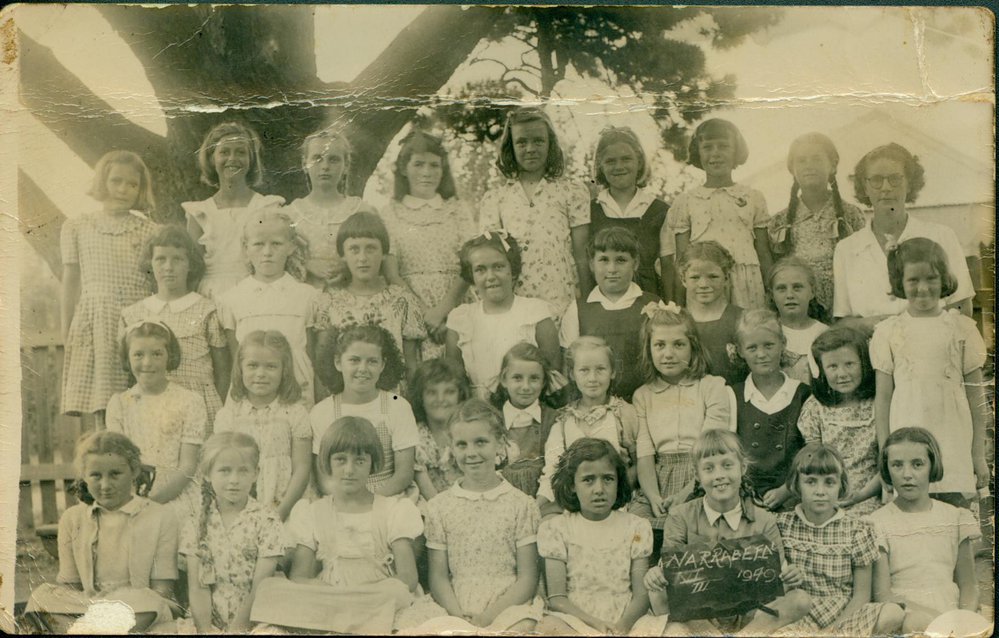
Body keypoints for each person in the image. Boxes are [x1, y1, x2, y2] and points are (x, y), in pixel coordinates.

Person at [251, 417, 422, 634]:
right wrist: (325, 590)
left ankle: (346, 621)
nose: (349, 470)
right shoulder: (313, 512)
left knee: (395, 591)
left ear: (372, 464)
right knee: (270, 587)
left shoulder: (393, 510)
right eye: (340, 460)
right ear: (327, 463)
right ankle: (346, 621)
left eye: (359, 461)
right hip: (330, 598)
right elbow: (300, 576)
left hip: (375, 598)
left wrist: (361, 594)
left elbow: (408, 579)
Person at [644, 429, 812, 636]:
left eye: (727, 465)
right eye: (709, 468)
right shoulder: (680, 516)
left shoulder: (765, 519)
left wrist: (789, 575)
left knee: (800, 598)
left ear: (742, 468)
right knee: (656, 590)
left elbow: (777, 578)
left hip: (750, 614)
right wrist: (655, 576)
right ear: (697, 476)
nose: (719, 475)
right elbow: (672, 576)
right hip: (699, 617)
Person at [871, 237, 989, 505]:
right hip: (907, 435)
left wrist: (978, 453)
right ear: (900, 282)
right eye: (913, 280)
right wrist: (884, 453)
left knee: (954, 512)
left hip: (953, 436)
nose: (923, 288)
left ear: (944, 279)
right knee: (911, 514)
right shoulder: (889, 332)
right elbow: (883, 399)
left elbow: (976, 398)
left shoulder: (962, 329)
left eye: (931, 278)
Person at [26, 432, 179, 633]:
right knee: (41, 597)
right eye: (95, 475)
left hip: (136, 605)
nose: (105, 485)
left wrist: (121, 598)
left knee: (152, 603)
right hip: (89, 604)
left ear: (133, 471)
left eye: (115, 474)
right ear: (84, 476)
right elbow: (70, 586)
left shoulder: (160, 516)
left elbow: (162, 591)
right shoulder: (72, 519)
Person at [415, 399, 543, 633]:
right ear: (452, 449)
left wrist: (488, 617)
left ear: (500, 444)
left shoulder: (521, 505)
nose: (471, 452)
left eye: (481, 442)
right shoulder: (439, 507)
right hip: (455, 605)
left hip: (506, 606)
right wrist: (458, 617)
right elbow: (439, 577)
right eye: (462, 445)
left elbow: (527, 578)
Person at [833, 143, 974, 332]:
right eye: (876, 180)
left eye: (895, 179)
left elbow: (962, 306)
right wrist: (884, 327)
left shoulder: (941, 236)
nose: (885, 187)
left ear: (909, 183)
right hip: (871, 354)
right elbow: (843, 321)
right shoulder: (847, 249)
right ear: (865, 188)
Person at [60, 150, 158, 423]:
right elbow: (71, 282)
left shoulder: (150, 231)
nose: (123, 189)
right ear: (103, 182)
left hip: (136, 320)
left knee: (138, 399)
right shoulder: (79, 226)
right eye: (116, 181)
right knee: (102, 402)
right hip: (96, 319)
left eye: (132, 184)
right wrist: (66, 328)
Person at [537, 439, 665, 635]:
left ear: (618, 482)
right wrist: (595, 624)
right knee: (549, 627)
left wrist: (622, 626)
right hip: (577, 621)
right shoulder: (557, 529)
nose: (599, 489)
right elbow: (556, 598)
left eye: (608, 479)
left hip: (626, 620)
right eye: (588, 480)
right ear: (572, 485)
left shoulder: (636, 527)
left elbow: (641, 595)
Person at [629, 301, 732, 543]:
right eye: (660, 345)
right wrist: (653, 496)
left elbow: (710, 450)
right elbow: (645, 454)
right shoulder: (643, 395)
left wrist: (687, 493)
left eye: (678, 345)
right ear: (649, 349)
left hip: (703, 476)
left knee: (694, 526)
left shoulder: (711, 386)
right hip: (658, 479)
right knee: (636, 527)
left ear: (693, 347)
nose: (668, 354)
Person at [776, 444, 905, 636]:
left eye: (829, 482)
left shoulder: (857, 530)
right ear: (796, 484)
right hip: (801, 615)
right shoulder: (782, 525)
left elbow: (861, 595)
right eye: (811, 482)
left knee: (893, 612)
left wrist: (833, 630)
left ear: (841, 485)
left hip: (845, 615)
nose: (820, 491)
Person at [479, 107, 592, 317]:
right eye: (522, 142)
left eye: (538, 141)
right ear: (511, 147)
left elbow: (582, 256)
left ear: (550, 144)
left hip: (562, 301)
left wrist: (587, 306)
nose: (530, 148)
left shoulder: (571, 192)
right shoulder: (495, 199)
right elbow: (489, 260)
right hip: (515, 304)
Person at [869, 428, 981, 633]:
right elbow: (883, 595)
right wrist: (934, 620)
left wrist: (964, 619)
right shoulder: (877, 523)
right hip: (907, 619)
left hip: (953, 614)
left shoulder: (955, 517)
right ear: (887, 469)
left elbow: (969, 586)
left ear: (932, 466)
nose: (907, 474)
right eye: (897, 465)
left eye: (917, 464)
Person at [122, 226, 228, 429]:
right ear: (150, 264)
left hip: (201, 405)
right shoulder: (134, 314)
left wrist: (220, 412)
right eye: (161, 259)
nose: (168, 267)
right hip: (154, 405)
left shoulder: (207, 310)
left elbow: (223, 371)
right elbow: (129, 372)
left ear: (190, 264)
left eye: (177, 259)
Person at [381, 131, 476, 359]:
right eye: (419, 164)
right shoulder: (390, 213)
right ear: (404, 168)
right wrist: (425, 315)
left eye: (434, 165)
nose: (427, 173)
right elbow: (392, 274)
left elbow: (470, 265)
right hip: (411, 309)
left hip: (457, 305)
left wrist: (443, 312)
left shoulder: (458, 210)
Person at [661, 118, 772, 309]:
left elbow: (763, 252)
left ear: (735, 151)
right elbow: (682, 262)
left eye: (723, 146)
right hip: (704, 285)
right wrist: (679, 307)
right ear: (698, 152)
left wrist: (773, 294)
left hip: (747, 284)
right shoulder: (687, 201)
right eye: (708, 147)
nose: (716, 153)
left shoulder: (753, 197)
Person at [180, 433, 285, 633]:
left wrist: (237, 630)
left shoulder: (267, 520)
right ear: (208, 474)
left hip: (254, 620)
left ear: (256, 473)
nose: (234, 480)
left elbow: (259, 588)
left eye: (243, 471)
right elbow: (198, 588)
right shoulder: (195, 522)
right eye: (225, 471)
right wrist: (205, 631)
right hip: (206, 622)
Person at [106, 321, 206, 523]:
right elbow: (117, 463)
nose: (147, 363)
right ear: (127, 358)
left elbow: (188, 467)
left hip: (177, 494)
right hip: (131, 496)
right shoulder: (119, 404)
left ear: (170, 356)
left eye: (157, 354)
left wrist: (151, 504)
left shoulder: (190, 401)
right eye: (138, 355)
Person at [310, 211, 426, 381]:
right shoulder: (330, 301)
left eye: (371, 248)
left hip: (392, 398)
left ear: (384, 253)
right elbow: (323, 363)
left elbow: (411, 364)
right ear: (343, 254)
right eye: (354, 249)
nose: (362, 258)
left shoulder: (402, 300)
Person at [218, 208, 319, 406]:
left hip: (297, 395)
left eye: (276, 244)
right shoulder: (231, 299)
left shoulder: (308, 296)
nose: (267, 252)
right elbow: (235, 358)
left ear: (291, 246)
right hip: (250, 397)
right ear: (246, 248)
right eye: (258, 244)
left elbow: (311, 354)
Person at [445, 231, 561, 398]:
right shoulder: (461, 319)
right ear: (471, 275)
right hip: (478, 412)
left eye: (498, 267)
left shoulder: (535, 313)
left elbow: (551, 376)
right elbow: (455, 380)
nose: (490, 276)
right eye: (480, 270)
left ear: (512, 270)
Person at [213, 331, 312, 521]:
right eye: (252, 365)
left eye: (271, 367)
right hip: (241, 505)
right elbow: (225, 469)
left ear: (284, 370)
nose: (261, 374)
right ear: (240, 369)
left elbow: (302, 468)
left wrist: (281, 512)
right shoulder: (229, 416)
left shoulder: (295, 413)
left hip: (287, 505)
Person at [310, 324, 417, 499]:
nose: (363, 369)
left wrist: (370, 502)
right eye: (354, 360)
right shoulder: (322, 411)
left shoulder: (397, 405)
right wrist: (348, 503)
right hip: (339, 498)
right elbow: (324, 477)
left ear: (382, 365)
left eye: (372, 361)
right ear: (338, 362)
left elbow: (403, 474)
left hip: (388, 496)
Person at [537, 337, 638, 517]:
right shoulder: (563, 419)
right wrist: (538, 506)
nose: (592, 378)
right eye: (584, 370)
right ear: (572, 374)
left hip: (617, 503)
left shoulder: (624, 413)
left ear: (612, 371)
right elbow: (552, 470)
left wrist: (616, 492)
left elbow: (639, 463)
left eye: (600, 369)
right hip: (575, 504)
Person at [183, 121, 284, 299]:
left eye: (241, 152)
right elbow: (192, 269)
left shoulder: (267, 207)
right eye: (224, 152)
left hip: (258, 292)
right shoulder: (199, 213)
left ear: (251, 159)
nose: (232, 159)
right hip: (212, 295)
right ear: (212, 158)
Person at [559, 226, 661, 401]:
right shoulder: (577, 310)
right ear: (591, 264)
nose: (612, 268)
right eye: (604, 260)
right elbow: (568, 365)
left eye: (621, 260)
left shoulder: (653, 305)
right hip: (595, 404)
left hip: (646, 402)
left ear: (635, 263)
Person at [767, 132, 866, 311]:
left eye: (816, 159)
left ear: (833, 165)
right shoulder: (779, 222)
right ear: (792, 169)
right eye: (801, 160)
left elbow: (862, 270)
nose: (809, 166)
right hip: (798, 311)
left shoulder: (852, 215)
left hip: (844, 308)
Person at [731, 309, 810, 511]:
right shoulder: (733, 395)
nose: (761, 354)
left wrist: (788, 489)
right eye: (752, 347)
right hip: (745, 500)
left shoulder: (802, 394)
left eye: (769, 345)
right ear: (740, 350)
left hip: (794, 497)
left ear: (782, 344)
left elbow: (810, 452)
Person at [797, 327, 882, 514]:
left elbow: (886, 461)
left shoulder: (878, 404)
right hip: (826, 497)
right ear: (820, 370)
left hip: (871, 495)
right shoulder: (815, 407)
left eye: (849, 364)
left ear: (863, 364)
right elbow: (813, 463)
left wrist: (860, 496)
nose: (842, 374)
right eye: (832, 367)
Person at [283, 129, 381, 290]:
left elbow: (378, 255)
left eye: (334, 160)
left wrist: (348, 265)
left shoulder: (361, 211)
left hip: (351, 297)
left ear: (346, 165)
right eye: (317, 158)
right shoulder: (290, 214)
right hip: (304, 300)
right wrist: (306, 264)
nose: (325, 166)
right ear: (304, 164)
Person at [589, 126, 669, 298]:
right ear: (600, 166)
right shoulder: (589, 211)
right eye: (610, 161)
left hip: (649, 298)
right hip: (603, 301)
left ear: (639, 162)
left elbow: (669, 267)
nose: (619, 166)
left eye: (626, 159)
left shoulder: (660, 211)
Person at [491, 342, 560, 498]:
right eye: (517, 378)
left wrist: (539, 504)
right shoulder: (492, 420)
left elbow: (554, 469)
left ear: (543, 382)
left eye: (534, 378)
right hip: (502, 498)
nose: (526, 386)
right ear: (503, 380)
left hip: (543, 498)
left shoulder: (553, 419)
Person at [680, 241, 745, 385]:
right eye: (695, 277)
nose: (703, 284)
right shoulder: (677, 320)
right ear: (683, 279)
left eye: (713, 277)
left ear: (726, 278)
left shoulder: (742, 319)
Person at [409, 358, 471, 503]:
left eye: (449, 392)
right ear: (420, 397)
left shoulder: (469, 431)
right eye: (432, 392)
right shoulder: (414, 436)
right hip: (431, 507)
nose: (441, 399)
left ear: (460, 395)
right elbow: (429, 495)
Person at [766, 257, 828, 384]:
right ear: (772, 295)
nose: (790, 295)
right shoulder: (766, 331)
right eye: (781, 288)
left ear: (812, 292)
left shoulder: (824, 333)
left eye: (797, 287)